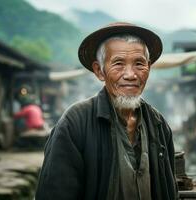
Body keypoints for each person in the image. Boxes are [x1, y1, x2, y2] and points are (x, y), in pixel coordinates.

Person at [35, 22, 178, 200]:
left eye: (139, 64)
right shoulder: (75, 123)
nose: (130, 75)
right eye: (118, 63)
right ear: (99, 71)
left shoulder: (158, 124)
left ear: (148, 67)